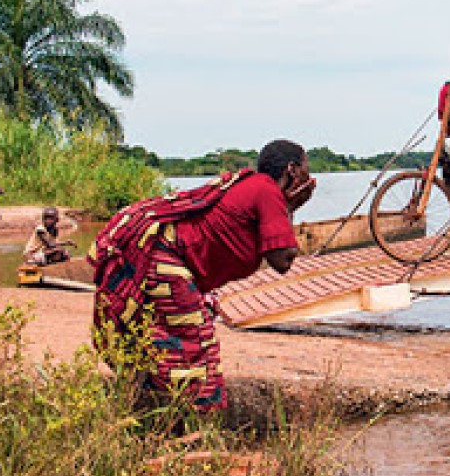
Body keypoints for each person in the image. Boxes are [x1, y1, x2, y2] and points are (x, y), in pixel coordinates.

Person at [89, 139, 315, 412]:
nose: (309, 175)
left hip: (163, 255)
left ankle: (141, 411)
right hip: (165, 258)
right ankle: (194, 422)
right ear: (292, 170)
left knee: (159, 337)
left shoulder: (253, 185)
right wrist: (291, 207)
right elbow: (281, 260)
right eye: (306, 168)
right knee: (193, 342)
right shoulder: (267, 191)